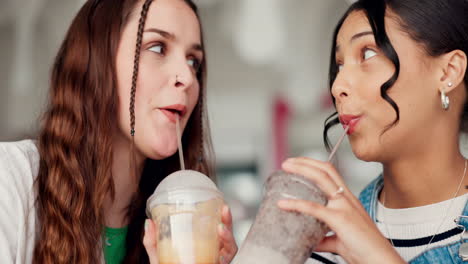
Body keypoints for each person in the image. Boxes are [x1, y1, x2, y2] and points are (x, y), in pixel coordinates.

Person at [0, 0, 237, 263]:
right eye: (157, 47)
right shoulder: (9, 178)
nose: (188, 77)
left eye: (194, 61)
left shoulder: (176, 224)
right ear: (97, 60)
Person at [277, 0, 468, 263]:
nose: (337, 86)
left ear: (449, 71)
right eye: (340, 65)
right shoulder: (323, 244)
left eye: (367, 54)